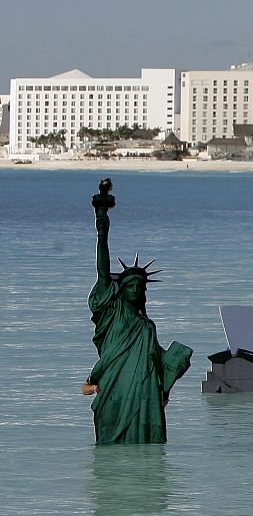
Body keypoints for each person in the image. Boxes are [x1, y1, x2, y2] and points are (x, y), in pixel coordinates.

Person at [81, 179, 192, 444]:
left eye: (140, 287)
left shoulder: (146, 327)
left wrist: (176, 363)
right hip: (114, 392)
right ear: (121, 289)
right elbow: (103, 269)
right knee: (110, 458)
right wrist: (102, 227)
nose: (136, 290)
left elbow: (157, 360)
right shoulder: (110, 311)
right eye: (130, 286)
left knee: (148, 457)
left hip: (145, 396)